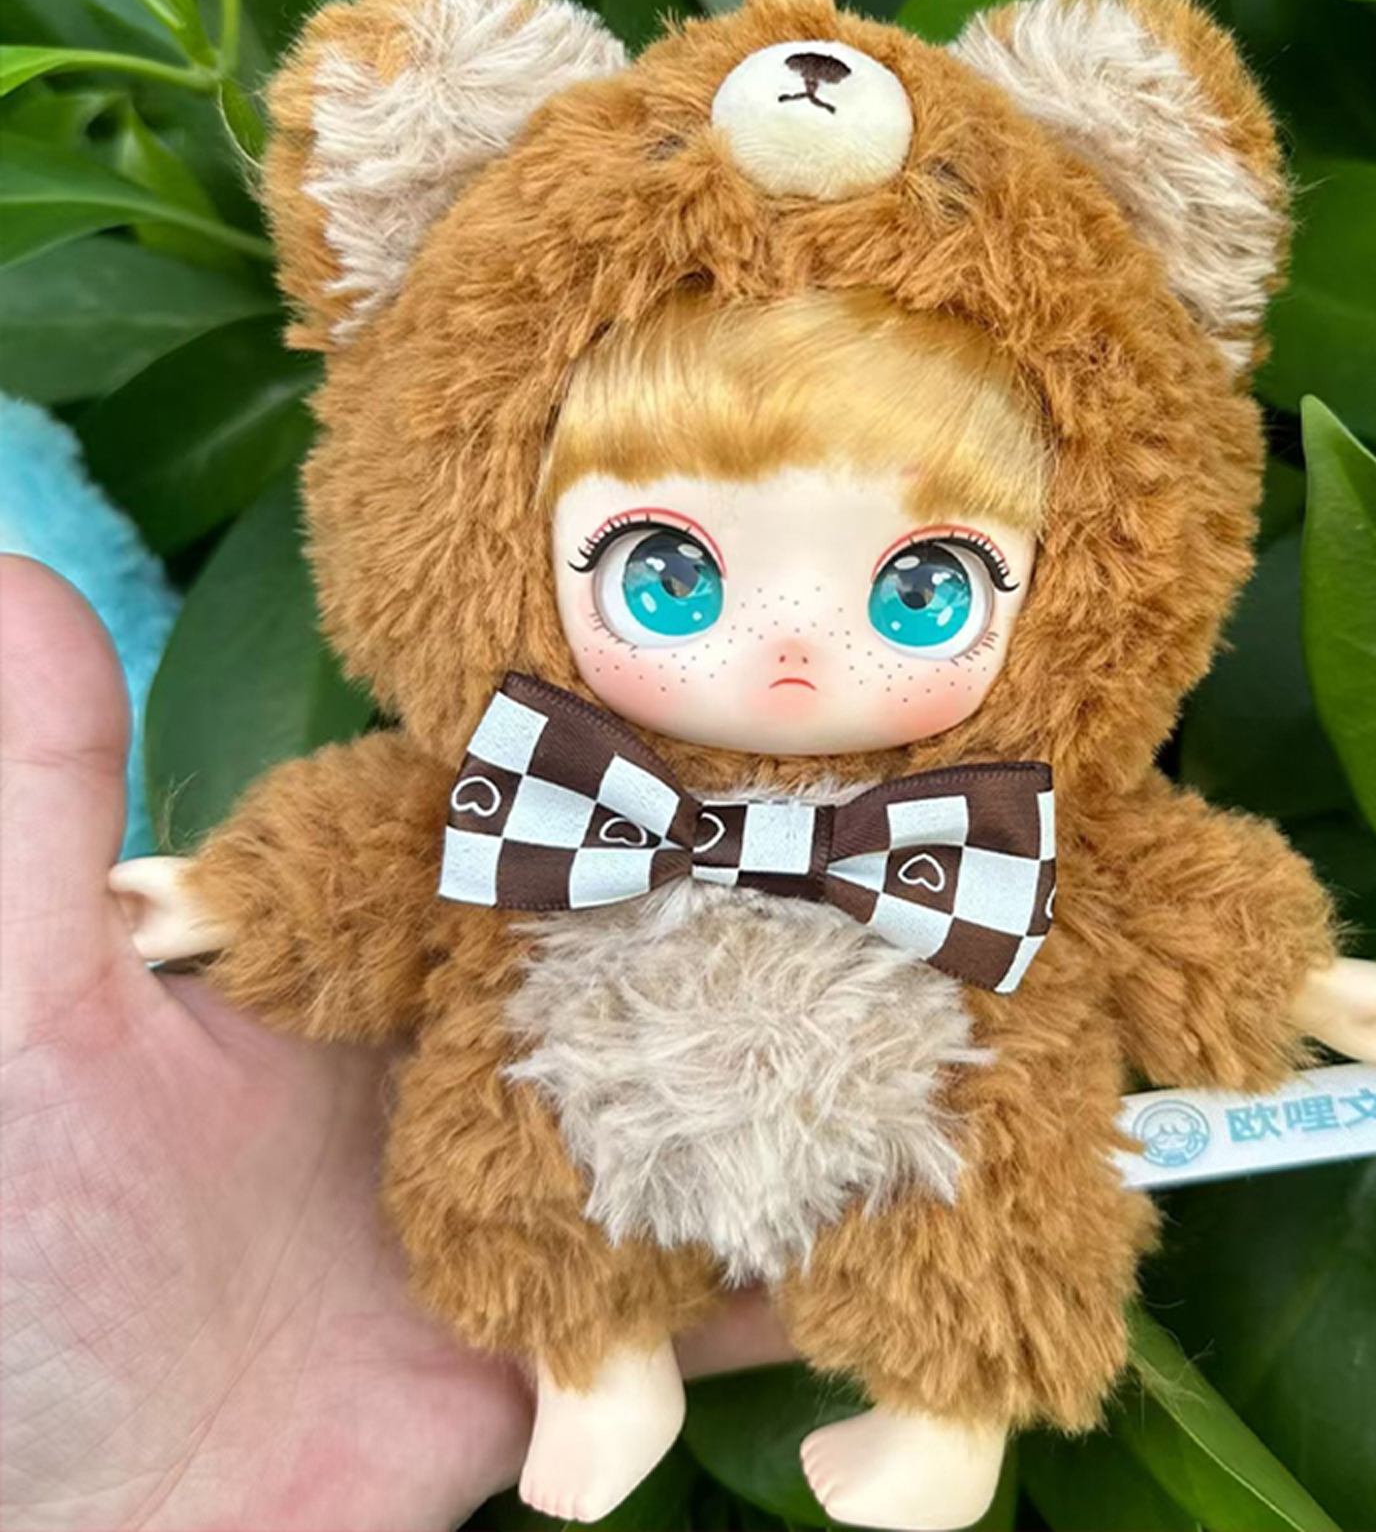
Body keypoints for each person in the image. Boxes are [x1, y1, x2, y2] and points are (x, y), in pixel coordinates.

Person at [0, 556, 787, 1531]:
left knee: (935, 1197)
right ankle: (600, 1362)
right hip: (565, 1052)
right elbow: (380, 849)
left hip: (831, 1045)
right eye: (669, 584)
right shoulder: (540, 781)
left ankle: (937, 1404)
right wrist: (235, 898)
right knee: (493, 1155)